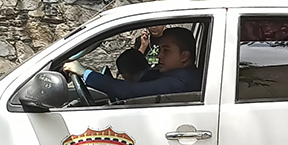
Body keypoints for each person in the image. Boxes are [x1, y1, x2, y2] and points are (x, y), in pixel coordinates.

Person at [65, 27, 201, 100]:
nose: (159, 55)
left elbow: (128, 91)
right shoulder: (179, 75)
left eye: (166, 50)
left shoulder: (181, 81)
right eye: (159, 50)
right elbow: (146, 79)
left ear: (184, 56)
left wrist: (85, 73)